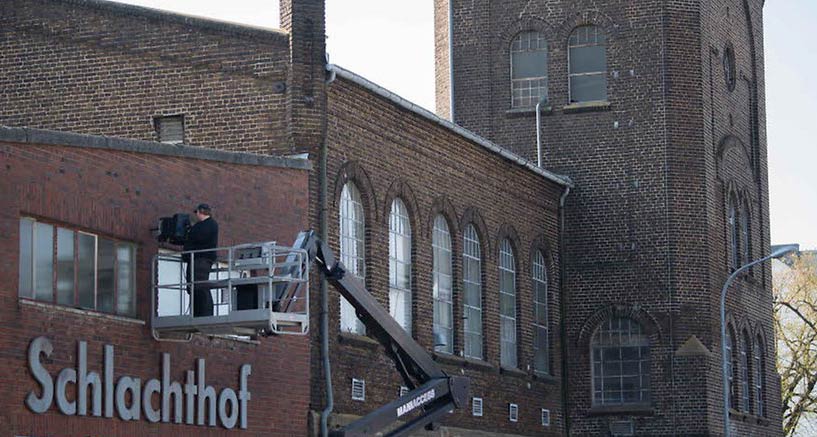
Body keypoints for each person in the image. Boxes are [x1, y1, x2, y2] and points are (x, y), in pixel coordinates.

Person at [183, 203, 219, 317]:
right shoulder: (209, 225)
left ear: (201, 212)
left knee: (198, 285)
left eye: (197, 212)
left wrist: (190, 232)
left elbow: (198, 237)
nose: (196, 215)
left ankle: (203, 313)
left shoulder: (208, 225)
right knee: (195, 285)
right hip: (198, 259)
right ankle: (199, 312)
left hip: (200, 259)